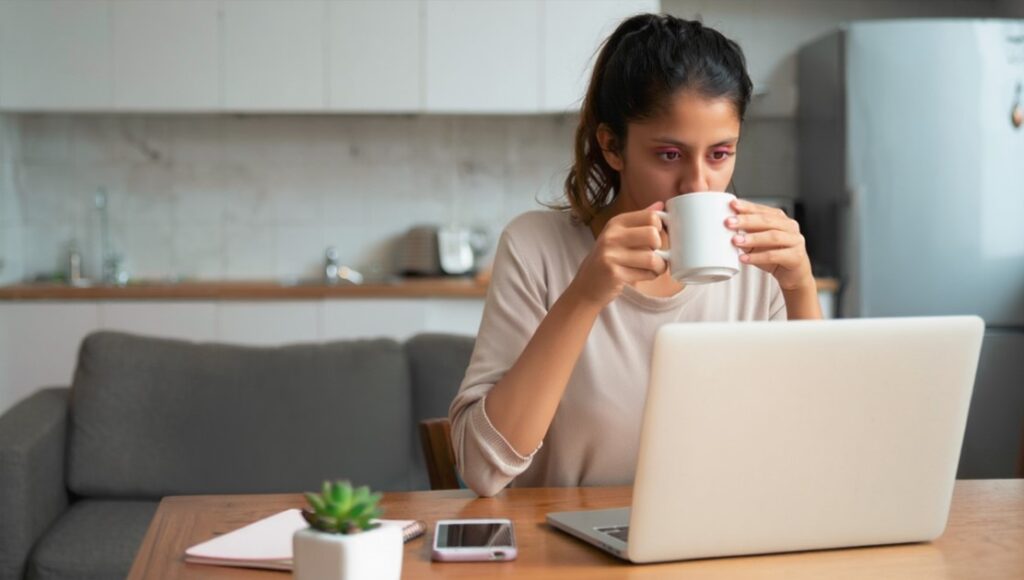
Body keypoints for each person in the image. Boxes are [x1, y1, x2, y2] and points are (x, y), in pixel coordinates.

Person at [449, 14, 822, 498]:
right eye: (669, 155)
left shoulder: (760, 268)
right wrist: (584, 296)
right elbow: (481, 470)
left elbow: (814, 457)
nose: (697, 184)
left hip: (716, 544)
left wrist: (800, 290)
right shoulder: (535, 247)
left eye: (719, 154)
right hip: (565, 549)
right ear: (612, 146)